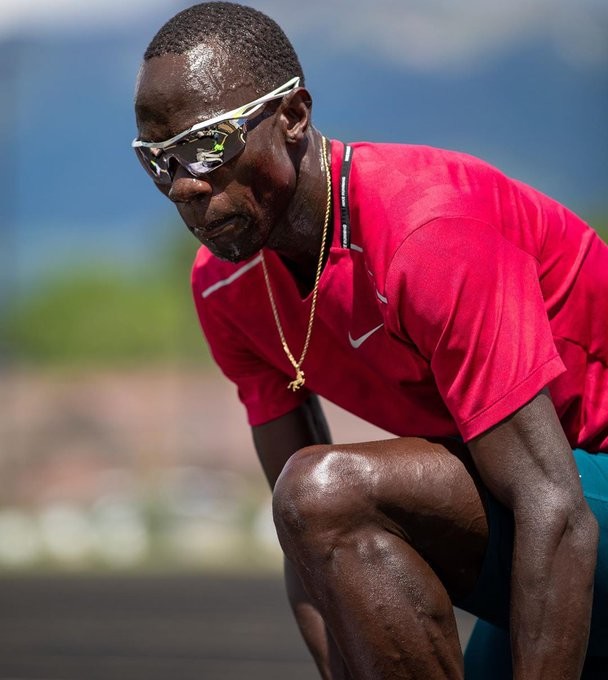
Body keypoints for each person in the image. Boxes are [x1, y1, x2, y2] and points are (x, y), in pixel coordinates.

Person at [132, 3, 608, 678]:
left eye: (209, 143)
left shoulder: (427, 230)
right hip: (551, 517)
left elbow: (555, 507)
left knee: (327, 488)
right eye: (157, 159)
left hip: (573, 496)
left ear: (293, 116)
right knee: (311, 502)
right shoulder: (224, 287)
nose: (184, 183)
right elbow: (305, 542)